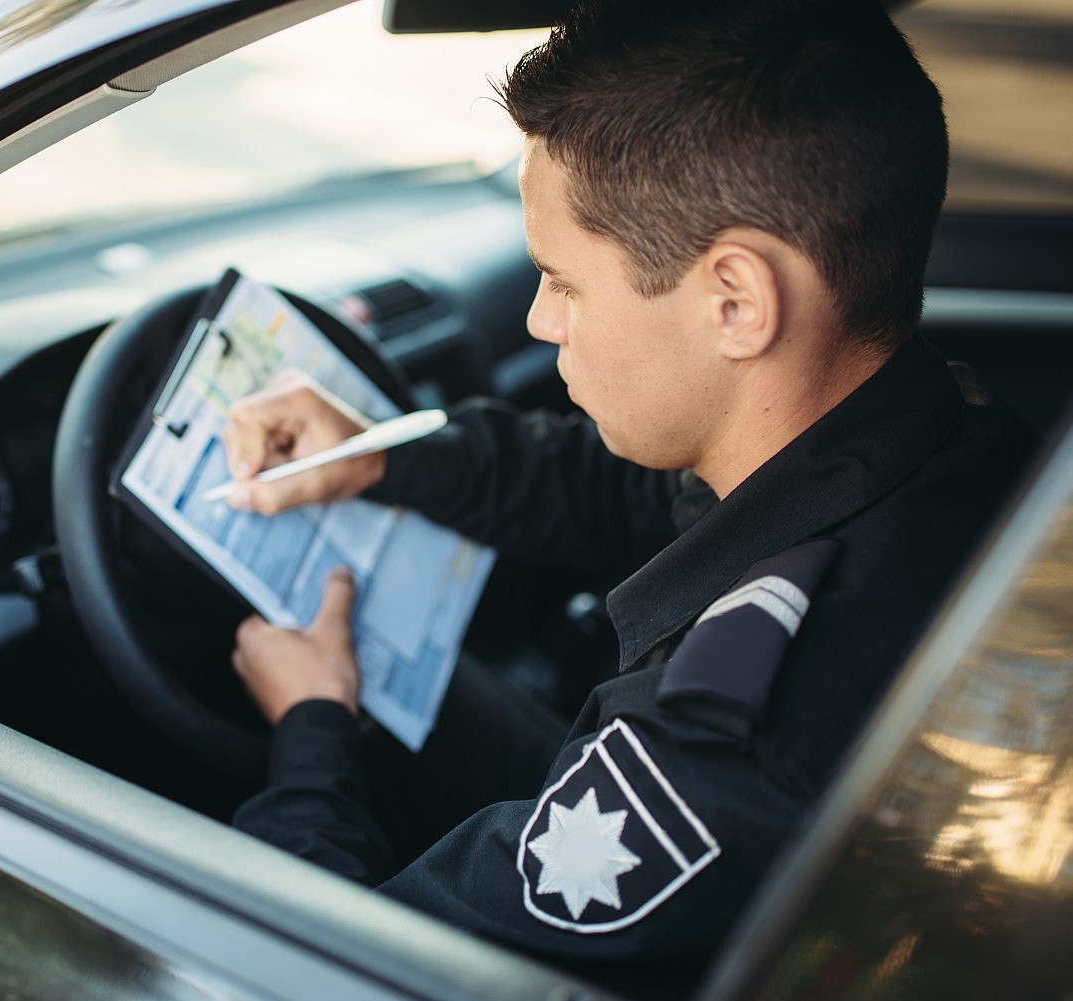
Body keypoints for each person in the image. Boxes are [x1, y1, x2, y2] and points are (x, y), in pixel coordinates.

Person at [224, 0, 1031, 989]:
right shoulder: (941, 440)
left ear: (735, 300)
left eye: (562, 281)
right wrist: (385, 455)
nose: (535, 319)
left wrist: (313, 728)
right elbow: (636, 495)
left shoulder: (718, 756)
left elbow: (326, 971)